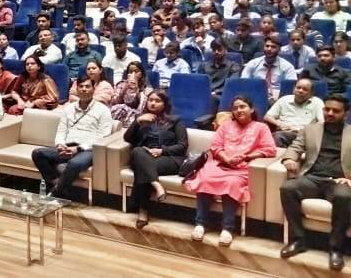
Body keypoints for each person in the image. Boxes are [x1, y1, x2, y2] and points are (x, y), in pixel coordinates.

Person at [185, 95, 277, 247]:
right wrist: (226, 159)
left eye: (242, 107)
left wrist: (247, 156)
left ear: (251, 109)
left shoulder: (261, 127)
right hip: (221, 163)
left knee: (232, 183)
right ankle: (200, 224)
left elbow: (269, 150)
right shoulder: (226, 126)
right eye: (235, 108)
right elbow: (216, 147)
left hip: (243, 167)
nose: (239, 110)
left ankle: (227, 228)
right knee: (205, 177)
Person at [279, 95, 351, 271]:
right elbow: (295, 147)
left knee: (344, 196)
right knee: (287, 188)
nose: (330, 113)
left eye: (336, 111)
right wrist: (289, 159)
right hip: (313, 178)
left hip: (338, 180)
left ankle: (336, 248)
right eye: (327, 109)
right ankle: (299, 239)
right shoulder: (310, 130)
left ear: (346, 114)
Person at [31, 77, 113, 199]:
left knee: (74, 163)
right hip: (67, 146)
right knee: (38, 153)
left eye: (87, 87)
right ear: (77, 89)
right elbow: (61, 130)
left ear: (93, 89)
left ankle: (55, 193)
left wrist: (79, 148)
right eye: (81, 87)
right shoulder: (69, 108)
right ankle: (57, 184)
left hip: (88, 150)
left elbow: (103, 136)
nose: (84, 89)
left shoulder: (103, 110)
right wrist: (60, 144)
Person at [125, 90, 188, 228]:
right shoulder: (141, 118)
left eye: (157, 101)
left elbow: (182, 146)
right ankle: (157, 185)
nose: (153, 103)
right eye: (150, 100)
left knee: (143, 169)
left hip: (168, 158)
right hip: (143, 155)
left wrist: (162, 150)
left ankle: (143, 211)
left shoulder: (175, 121)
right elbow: (127, 138)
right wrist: (137, 122)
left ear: (165, 104)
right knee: (138, 151)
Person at [265, 78, 324, 148]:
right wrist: (280, 124)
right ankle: (284, 157)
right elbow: (267, 116)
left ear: (311, 93)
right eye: (298, 88)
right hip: (285, 133)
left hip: (305, 135)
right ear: (294, 89)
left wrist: (306, 130)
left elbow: (322, 121)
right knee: (276, 136)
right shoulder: (284, 99)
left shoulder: (317, 102)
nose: (300, 91)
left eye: (305, 89)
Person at [241, 36, 297, 102]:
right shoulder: (253, 63)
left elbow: (291, 87)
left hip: (278, 98)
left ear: (279, 49)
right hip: (255, 95)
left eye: (273, 47)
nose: (269, 49)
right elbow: (244, 83)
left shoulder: (287, 67)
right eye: (267, 46)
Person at [110, 61, 154, 128]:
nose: (133, 74)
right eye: (130, 72)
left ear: (142, 74)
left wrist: (136, 90)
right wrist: (125, 88)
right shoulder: (121, 85)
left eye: (136, 71)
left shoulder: (148, 90)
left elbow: (141, 110)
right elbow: (114, 103)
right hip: (117, 116)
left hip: (135, 119)